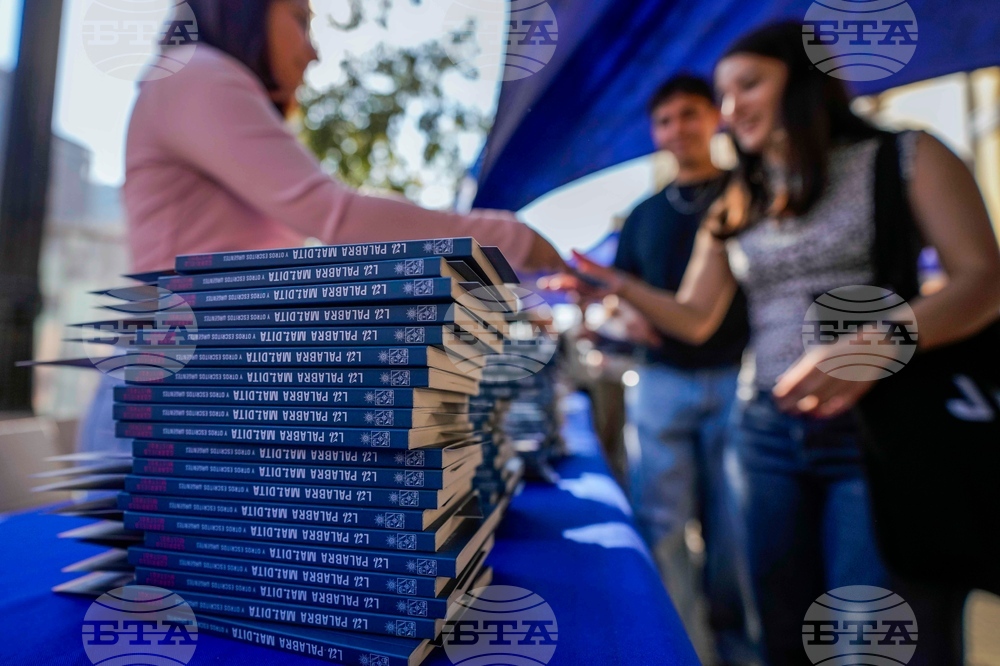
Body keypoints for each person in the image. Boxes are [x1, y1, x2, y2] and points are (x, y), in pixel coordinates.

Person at [548, 21, 1000, 666]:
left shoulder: (908, 154)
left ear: (806, 78)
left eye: (748, 85)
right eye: (724, 96)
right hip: (764, 433)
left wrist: (882, 340)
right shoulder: (740, 196)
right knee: (779, 638)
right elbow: (694, 317)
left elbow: (983, 280)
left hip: (881, 438)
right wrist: (614, 284)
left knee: (869, 643)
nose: (731, 111)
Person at [77, 0, 565, 454]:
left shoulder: (196, 82)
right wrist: (514, 239)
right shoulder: (194, 73)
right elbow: (339, 217)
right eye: (300, 19)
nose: (313, 51)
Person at [611, 75, 754, 665]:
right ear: (654, 131)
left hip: (736, 380)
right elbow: (620, 297)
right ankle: (681, 650)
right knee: (661, 526)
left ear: (714, 118)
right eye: (666, 119)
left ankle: (741, 650)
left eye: (690, 114)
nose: (678, 129)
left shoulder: (747, 192)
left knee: (735, 532)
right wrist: (629, 316)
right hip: (661, 383)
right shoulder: (642, 216)